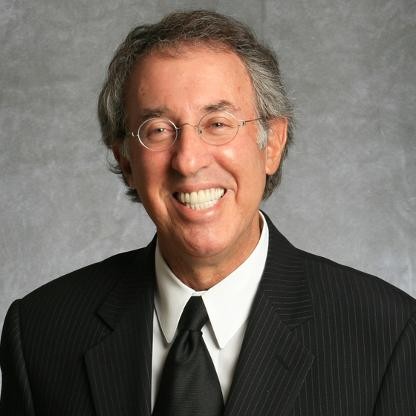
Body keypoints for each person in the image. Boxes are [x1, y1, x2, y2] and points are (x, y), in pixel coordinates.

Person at [1, 10, 415, 416]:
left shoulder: (389, 336)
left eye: (217, 123)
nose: (188, 160)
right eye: (158, 129)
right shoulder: (39, 332)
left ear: (271, 144)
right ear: (126, 160)